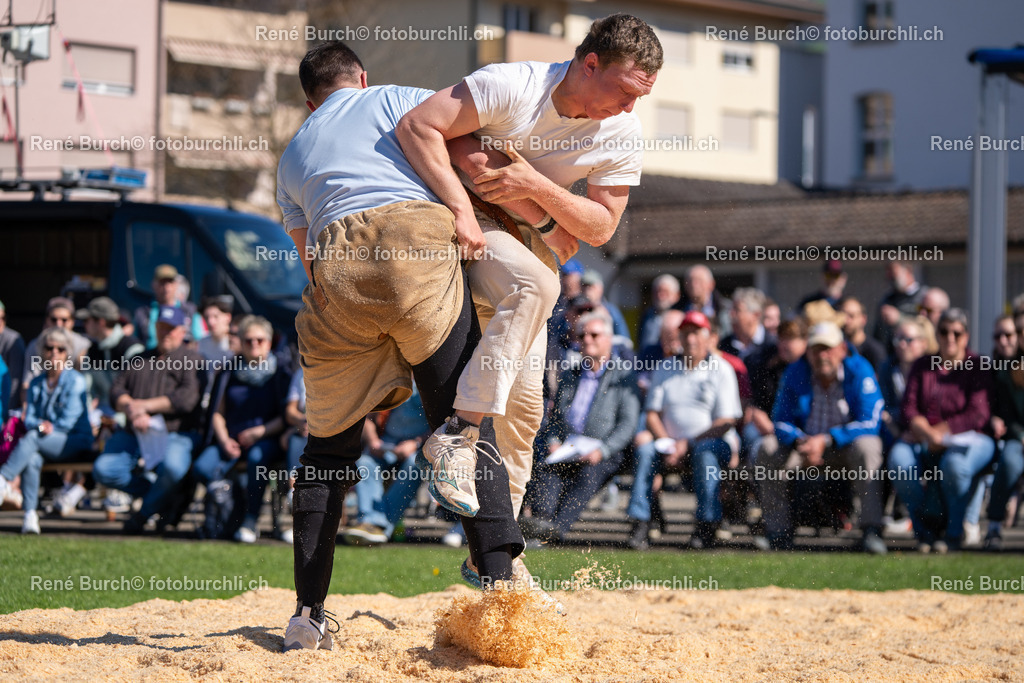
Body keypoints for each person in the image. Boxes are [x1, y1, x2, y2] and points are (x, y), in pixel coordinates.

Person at [276, 42, 525, 650]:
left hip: (336, 269)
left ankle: (307, 616)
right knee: (464, 428)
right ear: (362, 78)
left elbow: (309, 259)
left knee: (325, 456)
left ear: (309, 102)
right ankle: (504, 596)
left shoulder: (291, 154)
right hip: (410, 239)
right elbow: (469, 155)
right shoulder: (398, 99)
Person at [396, 13, 661, 579]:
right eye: (625, 90)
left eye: (642, 95)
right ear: (591, 64)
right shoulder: (513, 84)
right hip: (457, 223)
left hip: (524, 236)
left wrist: (533, 189)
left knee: (525, 411)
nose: (631, 107)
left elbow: (600, 227)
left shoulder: (622, 130)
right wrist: (471, 206)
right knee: (537, 283)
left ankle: (496, 556)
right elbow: (420, 126)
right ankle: (458, 433)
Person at [760, 321, 887, 554]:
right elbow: (779, 420)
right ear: (808, 352)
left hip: (844, 447)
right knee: (767, 447)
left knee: (869, 446)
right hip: (803, 448)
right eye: (816, 350)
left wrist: (827, 439)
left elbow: (871, 422)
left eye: (827, 349)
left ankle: (872, 530)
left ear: (842, 349)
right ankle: (777, 532)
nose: (822, 356)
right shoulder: (795, 371)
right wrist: (801, 442)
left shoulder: (859, 369)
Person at [526, 310, 640, 542]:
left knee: (588, 475)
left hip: (604, 451)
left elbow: (627, 424)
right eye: (582, 335)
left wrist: (602, 450)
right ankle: (540, 523)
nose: (587, 340)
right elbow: (556, 419)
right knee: (548, 468)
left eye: (594, 335)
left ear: (608, 339)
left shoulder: (624, 375)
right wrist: (554, 441)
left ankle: (556, 531)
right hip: (568, 447)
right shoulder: (570, 374)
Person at [888, 309, 995, 552]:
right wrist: (929, 434)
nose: (950, 338)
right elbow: (909, 408)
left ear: (966, 336)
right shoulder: (923, 365)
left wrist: (941, 433)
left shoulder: (978, 365)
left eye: (956, 333)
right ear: (937, 334)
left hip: (972, 439)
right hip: (924, 437)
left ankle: (953, 533)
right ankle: (925, 532)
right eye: (944, 331)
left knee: (954, 466)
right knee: (899, 461)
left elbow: (978, 413)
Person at [634, 310, 742, 549]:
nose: (691, 339)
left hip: (712, 442)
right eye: (686, 334)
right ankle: (640, 520)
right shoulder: (665, 367)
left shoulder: (722, 369)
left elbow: (726, 421)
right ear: (680, 338)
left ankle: (707, 523)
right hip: (669, 442)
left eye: (696, 333)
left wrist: (688, 442)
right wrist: (668, 443)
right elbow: (652, 413)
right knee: (645, 450)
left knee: (705, 452)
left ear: (708, 337)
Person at [91, 305, 202, 534]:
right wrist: (131, 408)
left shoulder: (193, 359)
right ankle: (165, 495)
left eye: (172, 328)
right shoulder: (140, 358)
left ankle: (142, 515)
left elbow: (186, 399)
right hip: (136, 432)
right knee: (104, 470)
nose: (166, 333)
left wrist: (145, 407)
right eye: (162, 327)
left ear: (182, 331)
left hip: (175, 432)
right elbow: (116, 390)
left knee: (172, 468)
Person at [191, 315, 292, 543]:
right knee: (202, 467)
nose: (254, 344)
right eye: (248, 340)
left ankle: (250, 519)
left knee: (257, 459)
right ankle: (230, 511)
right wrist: (224, 440)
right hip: (231, 440)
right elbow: (217, 413)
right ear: (241, 342)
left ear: (269, 342)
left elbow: (286, 416)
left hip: (267, 439)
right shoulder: (228, 371)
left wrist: (260, 432)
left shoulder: (280, 373)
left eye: (260, 340)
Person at [0, 327, 93, 534]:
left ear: (67, 353)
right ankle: (30, 516)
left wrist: (44, 426)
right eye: (49, 348)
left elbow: (68, 421)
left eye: (60, 349)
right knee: (32, 459)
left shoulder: (76, 381)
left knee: (33, 438)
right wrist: (42, 426)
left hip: (74, 441)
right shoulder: (36, 383)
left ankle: (3, 479)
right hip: (46, 441)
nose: (54, 353)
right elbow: (29, 418)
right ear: (42, 351)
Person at [344, 384, 432, 545]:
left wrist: (415, 443)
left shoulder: (429, 382)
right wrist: (373, 442)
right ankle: (372, 523)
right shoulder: (389, 379)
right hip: (386, 443)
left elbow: (440, 424)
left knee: (414, 465)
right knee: (364, 463)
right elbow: (368, 418)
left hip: (420, 447)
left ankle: (375, 525)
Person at [77, 296, 145, 411]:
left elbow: (139, 392)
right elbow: (87, 391)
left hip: (130, 414)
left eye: (87, 320)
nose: (84, 325)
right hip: (101, 415)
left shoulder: (133, 350)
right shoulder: (92, 351)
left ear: (101, 322)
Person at [23, 297, 91, 392]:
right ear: (47, 320)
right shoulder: (36, 344)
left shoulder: (84, 345)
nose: (59, 324)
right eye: (54, 319)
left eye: (64, 320)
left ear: (73, 321)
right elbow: (27, 383)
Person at [133, 264, 205, 349]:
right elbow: (135, 343)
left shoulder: (190, 310)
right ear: (154, 285)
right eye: (162, 283)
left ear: (176, 285)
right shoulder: (143, 313)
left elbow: (200, 341)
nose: (166, 287)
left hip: (182, 356)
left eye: (170, 282)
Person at [874, 262, 925, 353]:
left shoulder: (924, 297)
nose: (890, 277)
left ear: (908, 271)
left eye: (894, 273)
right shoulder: (886, 300)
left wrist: (899, 319)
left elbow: (928, 326)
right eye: (888, 273)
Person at [679, 265, 732, 337]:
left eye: (699, 281)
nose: (693, 285)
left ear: (711, 284)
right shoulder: (677, 309)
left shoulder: (727, 308)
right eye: (690, 281)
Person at [720, 287, 769, 363]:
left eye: (737, 310)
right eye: (732, 309)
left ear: (756, 315)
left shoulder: (772, 347)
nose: (731, 314)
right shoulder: (724, 346)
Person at [838, 296, 887, 372]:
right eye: (843, 316)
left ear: (863, 319)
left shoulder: (875, 351)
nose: (846, 321)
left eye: (851, 316)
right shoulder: (837, 349)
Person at [638, 274, 681, 361]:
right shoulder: (647, 316)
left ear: (676, 295)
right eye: (656, 291)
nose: (660, 296)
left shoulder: (681, 317)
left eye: (665, 292)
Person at [580, 269, 629, 340]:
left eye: (591, 287)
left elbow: (624, 339)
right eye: (584, 286)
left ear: (600, 289)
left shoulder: (611, 311)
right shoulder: (574, 310)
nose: (587, 290)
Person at [0, 298, 26, 410]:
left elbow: (15, 380)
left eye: (3, 318)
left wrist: (7, 409)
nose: (0, 321)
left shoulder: (13, 340)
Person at [198, 295, 235, 365]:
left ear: (228, 317)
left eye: (216, 316)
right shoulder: (202, 343)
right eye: (207, 317)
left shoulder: (236, 343)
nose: (210, 322)